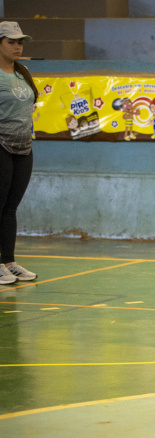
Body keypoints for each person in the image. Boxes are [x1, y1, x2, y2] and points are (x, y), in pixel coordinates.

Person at [0, 22, 39, 285]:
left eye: (20, 42)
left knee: (10, 208)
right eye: (11, 41)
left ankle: (9, 262)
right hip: (0, 146)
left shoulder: (22, 72)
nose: (17, 46)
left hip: (24, 147)